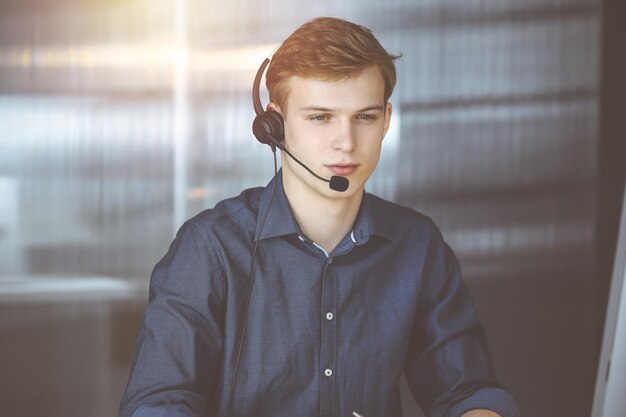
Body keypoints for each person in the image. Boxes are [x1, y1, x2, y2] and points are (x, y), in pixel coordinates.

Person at [119, 16, 520, 417]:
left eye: (365, 117)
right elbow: (157, 402)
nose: (346, 143)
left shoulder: (417, 244)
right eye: (320, 117)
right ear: (274, 126)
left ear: (387, 120)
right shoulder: (210, 247)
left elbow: (466, 390)